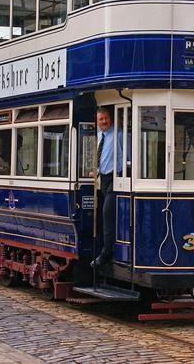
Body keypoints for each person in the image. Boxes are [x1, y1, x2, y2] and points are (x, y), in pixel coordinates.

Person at [91, 106, 121, 267]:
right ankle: (103, 249)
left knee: (107, 213)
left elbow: (129, 156)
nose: (104, 121)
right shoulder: (98, 136)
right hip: (102, 179)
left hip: (115, 179)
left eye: (106, 118)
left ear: (111, 119)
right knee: (101, 216)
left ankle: (106, 252)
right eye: (101, 119)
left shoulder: (119, 135)